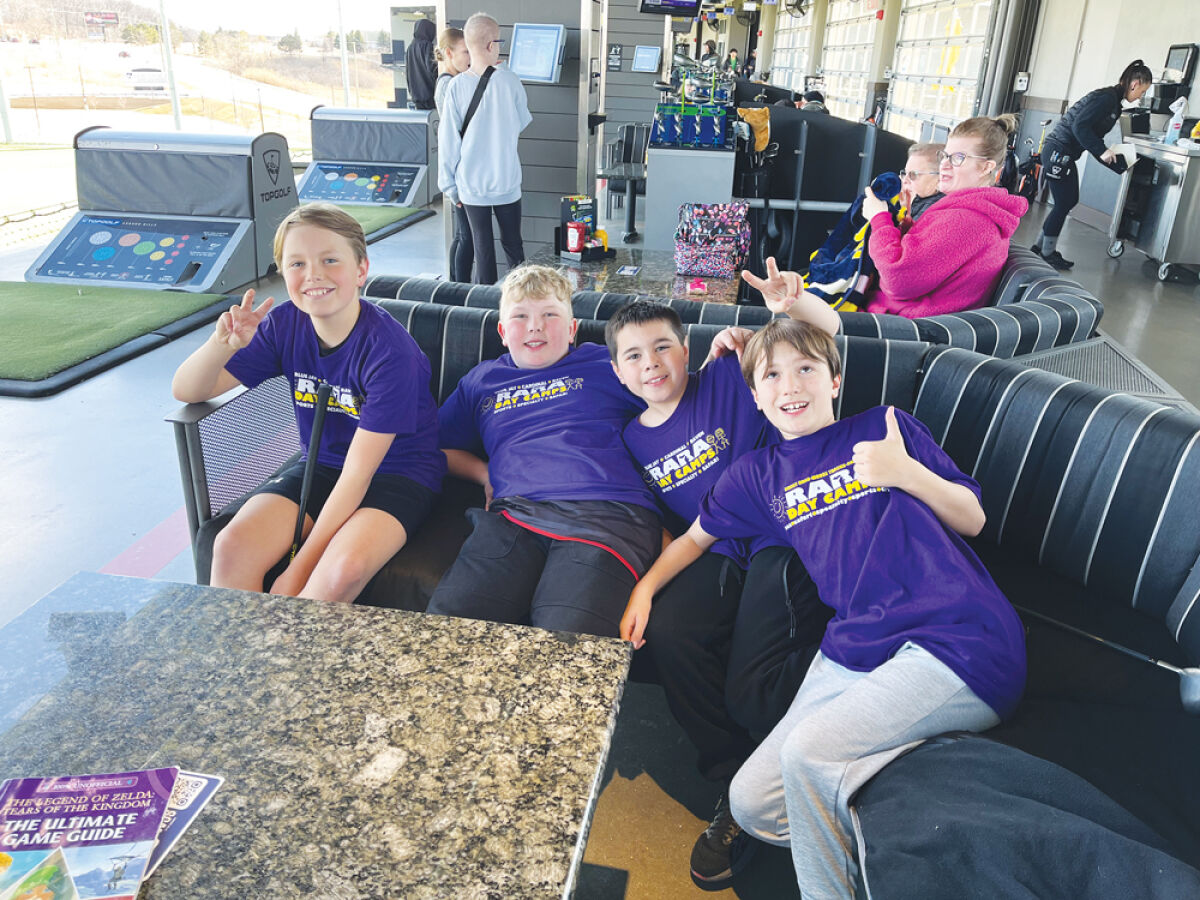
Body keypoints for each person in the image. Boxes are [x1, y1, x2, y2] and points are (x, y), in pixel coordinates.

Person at [628, 317, 1026, 899]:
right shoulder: (758, 476)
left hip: (956, 637)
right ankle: (894, 781)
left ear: (834, 380)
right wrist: (644, 588)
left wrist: (907, 474)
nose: (790, 385)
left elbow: (973, 517)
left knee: (809, 756)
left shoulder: (885, 427)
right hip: (854, 646)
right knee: (749, 798)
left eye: (806, 369)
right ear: (757, 397)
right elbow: (694, 539)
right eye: (772, 375)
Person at [608, 302, 830, 889]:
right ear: (619, 374)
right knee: (673, 633)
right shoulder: (631, 438)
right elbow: (661, 522)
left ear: (688, 350)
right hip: (709, 548)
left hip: (777, 535)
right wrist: (649, 585)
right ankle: (733, 780)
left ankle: (796, 773)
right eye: (634, 355)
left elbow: (801, 351)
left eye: (663, 347)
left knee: (756, 667)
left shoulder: (729, 374)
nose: (652, 364)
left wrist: (749, 331)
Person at [171, 203, 446, 604]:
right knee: (231, 545)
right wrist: (221, 344)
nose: (313, 274)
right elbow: (187, 390)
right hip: (320, 465)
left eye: (330, 260)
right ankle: (240, 661)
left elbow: (358, 475)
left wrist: (299, 571)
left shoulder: (390, 353)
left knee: (337, 574)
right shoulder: (284, 325)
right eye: (297, 263)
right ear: (283, 274)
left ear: (360, 269)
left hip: (397, 476)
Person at [428, 266, 661, 638]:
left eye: (550, 315)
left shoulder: (608, 364)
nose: (535, 327)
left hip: (606, 516)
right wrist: (483, 474)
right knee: (452, 627)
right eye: (520, 317)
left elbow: (677, 396)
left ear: (571, 329)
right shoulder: (482, 381)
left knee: (566, 639)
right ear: (503, 333)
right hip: (514, 515)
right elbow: (431, 446)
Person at [746, 115, 1029, 321]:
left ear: (986, 168)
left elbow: (898, 277)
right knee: (785, 308)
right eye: (946, 155)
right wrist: (904, 224)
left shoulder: (968, 221)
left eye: (958, 158)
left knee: (778, 323)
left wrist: (880, 218)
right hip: (892, 320)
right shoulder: (965, 212)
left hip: (896, 331)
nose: (945, 165)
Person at [1031, 59, 1153, 270]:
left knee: (1067, 200)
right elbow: (1080, 127)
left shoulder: (1112, 101)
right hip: (1059, 151)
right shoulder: (1107, 98)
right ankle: (1046, 253)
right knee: (1065, 201)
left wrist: (1115, 162)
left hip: (1062, 152)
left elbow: (1091, 138)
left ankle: (1040, 247)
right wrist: (1103, 151)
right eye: (1143, 91)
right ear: (1135, 84)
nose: (1141, 97)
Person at [438, 13, 532, 284]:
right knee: (514, 247)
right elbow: (522, 122)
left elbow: (448, 142)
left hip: (471, 186)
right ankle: (520, 305)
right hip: (507, 181)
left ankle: (483, 314)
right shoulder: (510, 81)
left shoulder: (455, 87)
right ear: (492, 45)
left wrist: (449, 186)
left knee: (483, 251)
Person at [434, 27, 473, 284]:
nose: (470, 56)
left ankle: (454, 287)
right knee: (467, 237)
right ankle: (460, 292)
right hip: (459, 174)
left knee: (461, 235)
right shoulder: (450, 86)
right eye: (465, 51)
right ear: (449, 53)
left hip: (458, 174)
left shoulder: (450, 83)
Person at [899, 141, 944, 222]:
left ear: (939, 179)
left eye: (913, 174)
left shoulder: (933, 215)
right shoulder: (918, 204)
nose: (905, 180)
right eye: (905, 173)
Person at [405, 19, 438, 111]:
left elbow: (408, 72)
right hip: (430, 95)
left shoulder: (410, 48)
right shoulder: (428, 46)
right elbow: (433, 69)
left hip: (416, 96)